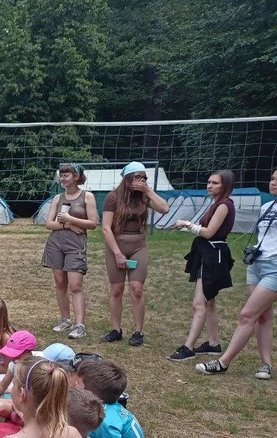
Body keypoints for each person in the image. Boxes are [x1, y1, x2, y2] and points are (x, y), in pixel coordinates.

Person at [197, 170, 277, 378]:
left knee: (247, 314)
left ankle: (223, 362)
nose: (273, 183)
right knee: (263, 315)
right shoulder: (267, 206)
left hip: (275, 268)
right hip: (257, 264)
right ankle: (266, 365)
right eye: (272, 179)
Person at [100, 162, 170, 347]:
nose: (141, 181)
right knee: (116, 290)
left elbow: (164, 208)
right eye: (137, 177)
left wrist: (148, 191)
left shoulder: (143, 197)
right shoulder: (113, 197)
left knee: (137, 289)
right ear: (127, 179)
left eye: (144, 178)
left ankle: (138, 331)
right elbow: (106, 228)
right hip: (116, 245)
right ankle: (116, 329)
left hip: (138, 246)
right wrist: (117, 253)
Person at [169, 171, 237, 361]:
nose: (209, 186)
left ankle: (188, 347)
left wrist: (187, 224)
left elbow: (208, 233)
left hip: (212, 255)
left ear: (225, 186)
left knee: (199, 303)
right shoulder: (217, 204)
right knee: (209, 301)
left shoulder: (224, 205)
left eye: (214, 183)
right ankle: (213, 343)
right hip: (207, 254)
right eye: (208, 182)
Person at [44, 163, 99, 339]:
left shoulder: (87, 197)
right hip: (56, 244)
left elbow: (93, 224)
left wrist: (71, 219)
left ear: (76, 177)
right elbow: (49, 224)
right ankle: (65, 320)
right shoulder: (57, 198)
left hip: (76, 245)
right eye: (61, 175)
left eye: (66, 175)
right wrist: (68, 224)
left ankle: (80, 325)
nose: (62, 178)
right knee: (60, 283)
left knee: (75, 285)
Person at [0, 342, 73, 424]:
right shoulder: (15, 365)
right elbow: (2, 386)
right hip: (17, 401)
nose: (13, 359)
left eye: (16, 356)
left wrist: (14, 407)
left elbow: (33, 407)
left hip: (24, 406)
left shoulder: (37, 375)